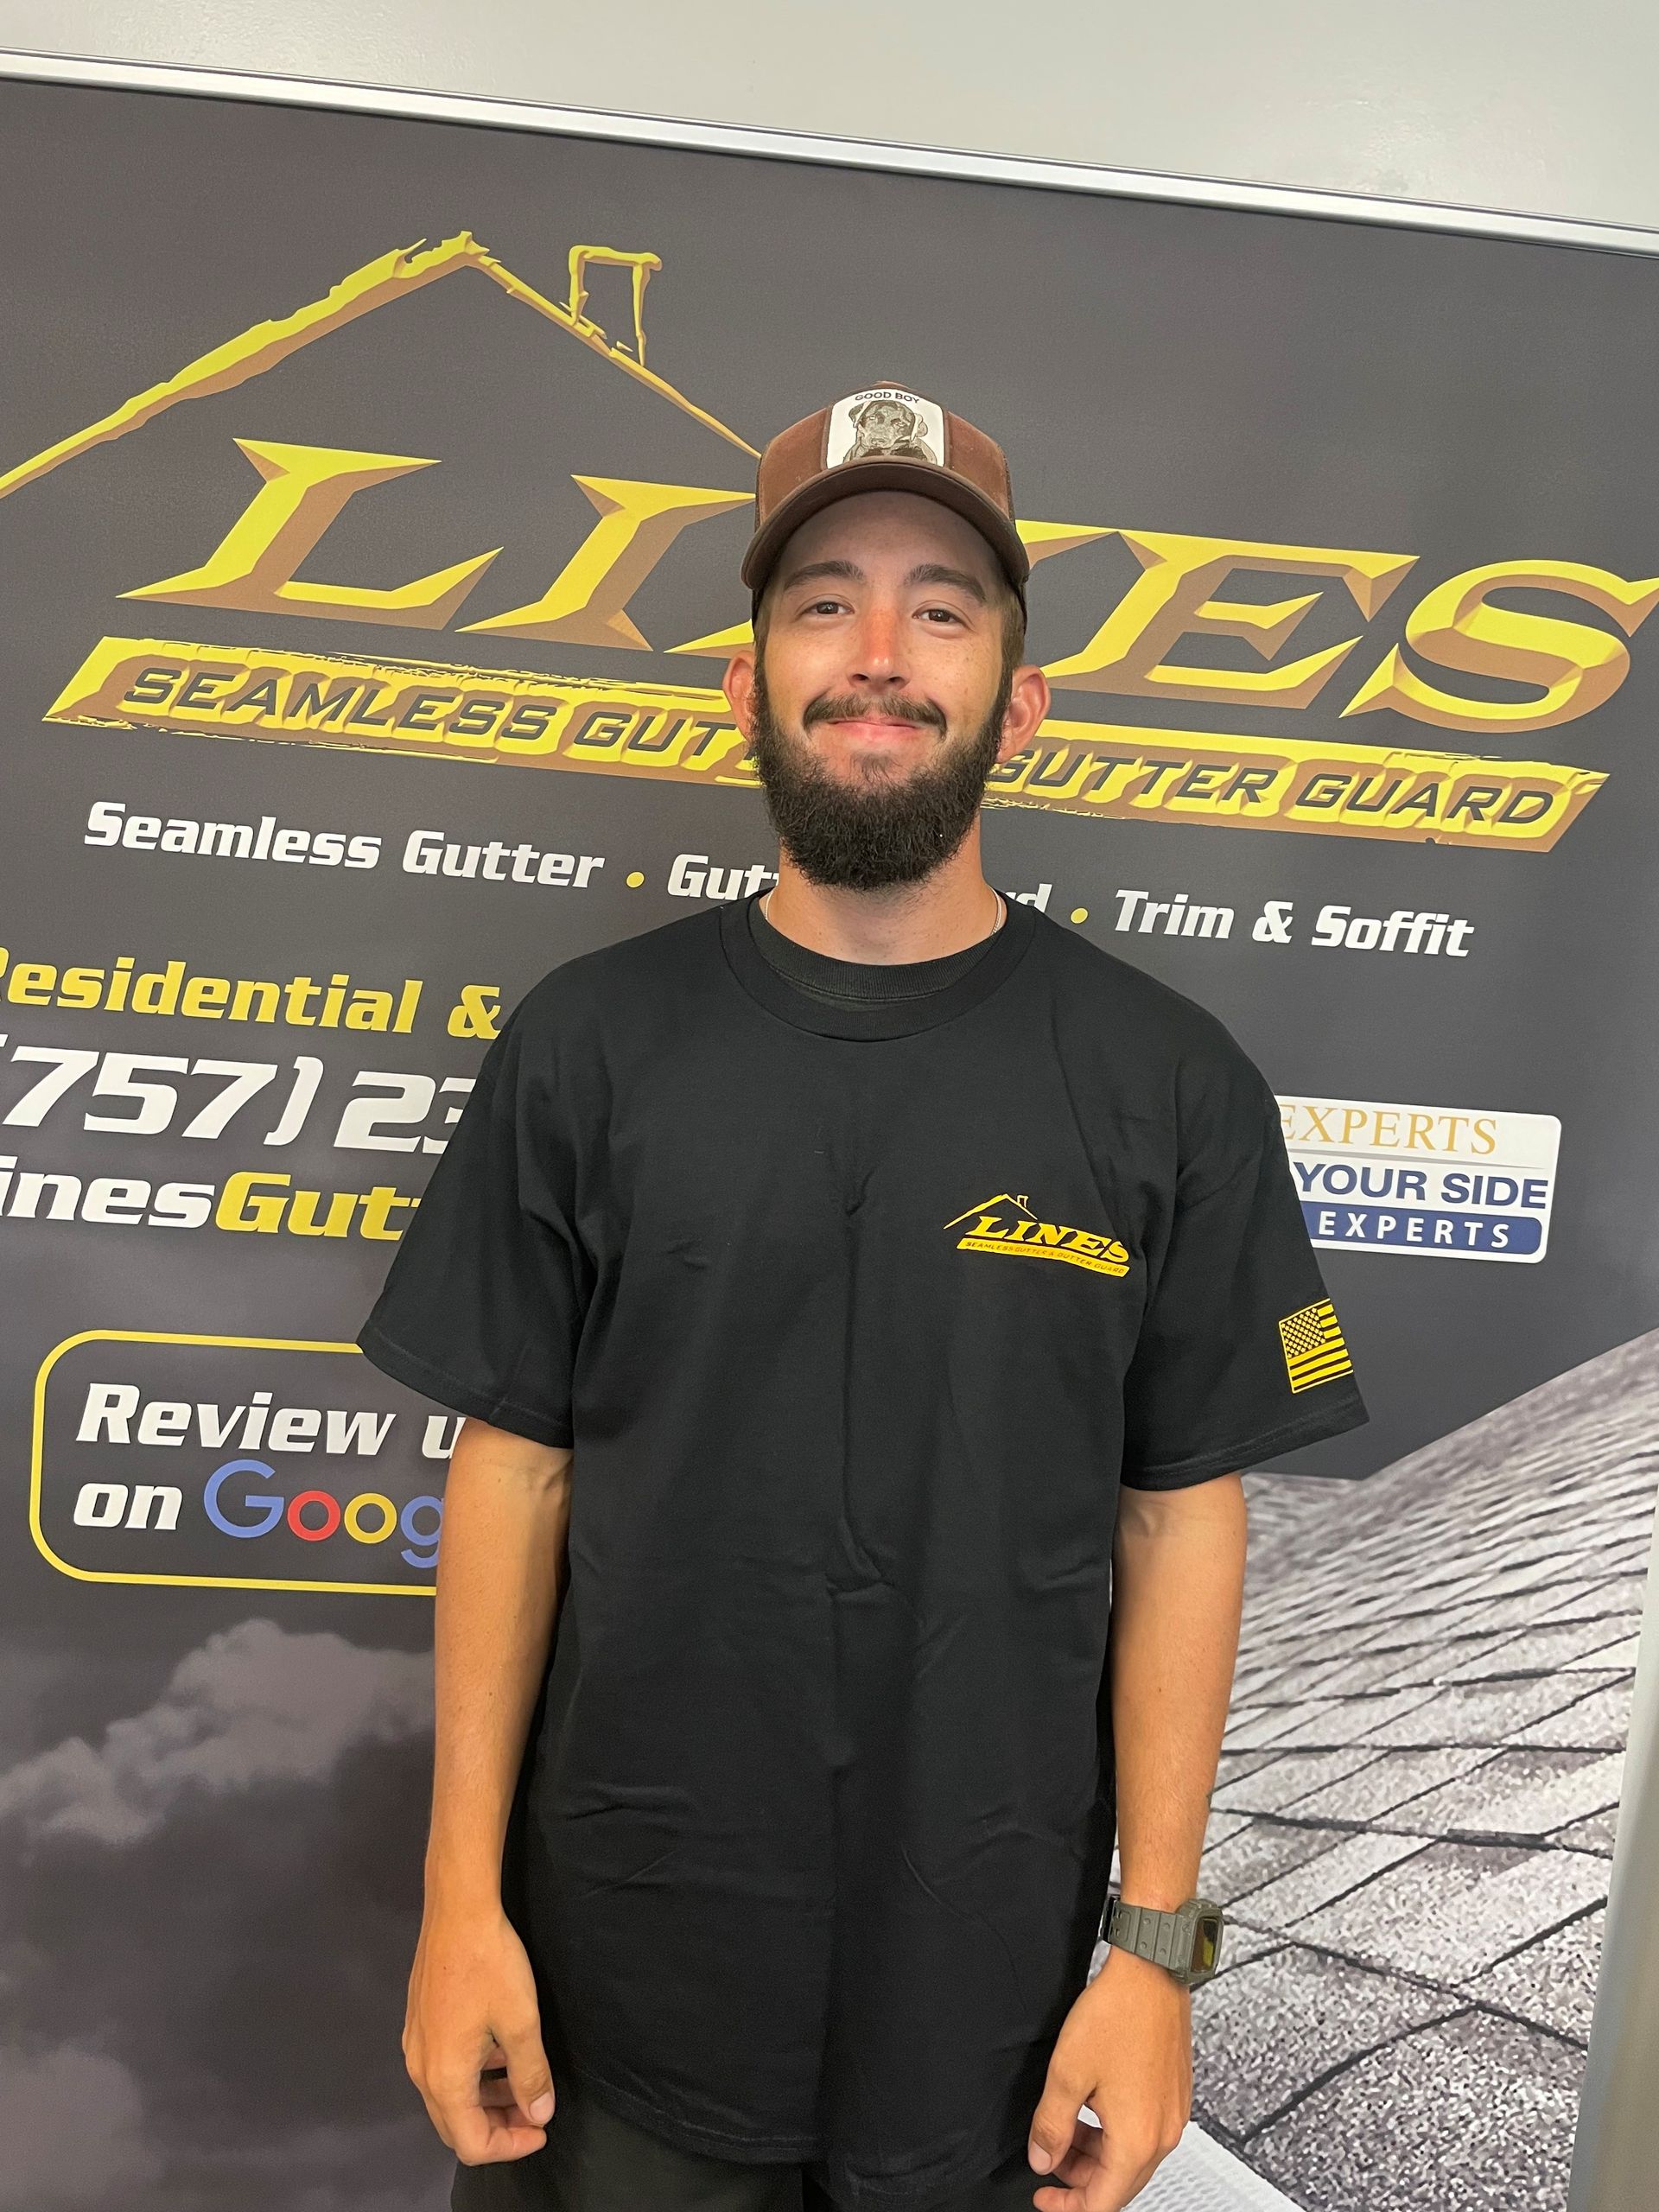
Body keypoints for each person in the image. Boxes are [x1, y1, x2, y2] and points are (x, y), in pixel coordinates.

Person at [357, 383, 1369, 2212]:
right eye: (823, 600)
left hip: (992, 2018)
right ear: (745, 682)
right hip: (614, 1991)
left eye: (943, 608)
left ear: (1021, 698)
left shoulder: (1167, 1079)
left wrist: (1152, 1955)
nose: (880, 652)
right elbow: (511, 1475)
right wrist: (457, 1909)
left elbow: (1183, 1517)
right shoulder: (593, 1040)